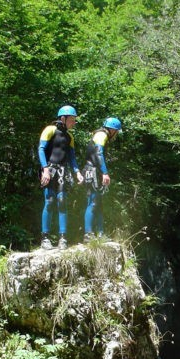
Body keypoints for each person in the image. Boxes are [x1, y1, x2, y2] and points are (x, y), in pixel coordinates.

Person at [38, 105, 84, 250]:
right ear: (63, 118)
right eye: (72, 119)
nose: (74, 122)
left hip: (63, 172)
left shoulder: (70, 137)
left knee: (62, 201)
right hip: (49, 170)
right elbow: (41, 149)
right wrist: (45, 169)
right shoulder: (50, 130)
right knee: (50, 201)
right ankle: (44, 238)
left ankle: (63, 238)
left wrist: (77, 172)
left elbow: (72, 158)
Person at [82, 117, 122, 242]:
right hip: (92, 171)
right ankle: (88, 234)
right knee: (93, 202)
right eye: (116, 131)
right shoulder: (101, 135)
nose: (116, 135)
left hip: (94, 171)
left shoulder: (100, 135)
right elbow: (98, 154)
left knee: (98, 204)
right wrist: (105, 173)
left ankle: (100, 233)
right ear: (112, 130)